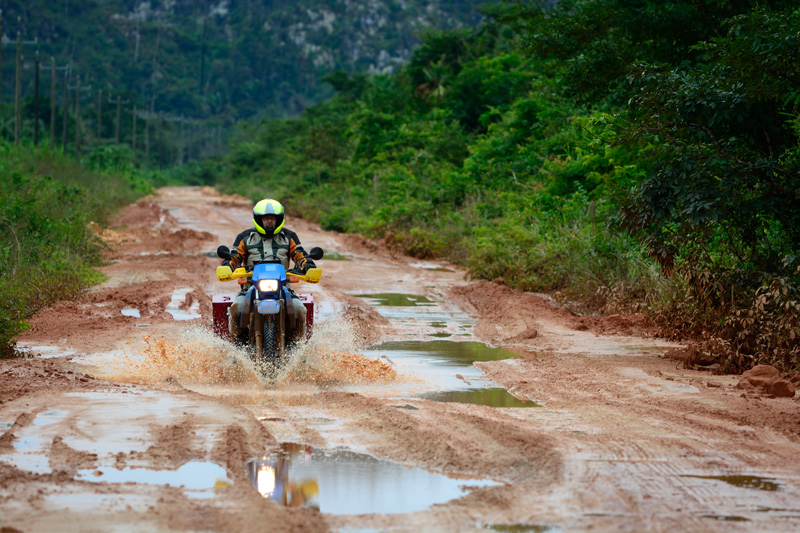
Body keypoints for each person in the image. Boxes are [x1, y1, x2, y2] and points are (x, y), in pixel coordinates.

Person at [223, 198, 316, 346]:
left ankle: (296, 344)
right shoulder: (245, 237)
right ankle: (238, 342)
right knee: (236, 308)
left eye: (273, 218)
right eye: (266, 219)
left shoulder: (289, 236)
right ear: (258, 220)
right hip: (250, 288)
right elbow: (235, 256)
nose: (270, 222)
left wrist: (308, 264)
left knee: (300, 310)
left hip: (283, 288)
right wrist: (228, 265)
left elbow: (300, 254)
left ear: (279, 219)